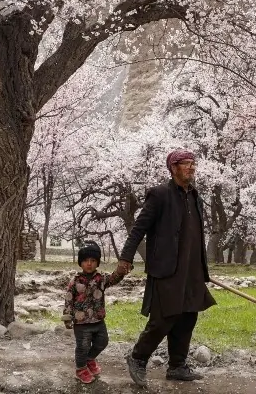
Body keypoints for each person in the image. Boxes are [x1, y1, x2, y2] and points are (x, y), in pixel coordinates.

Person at [117, 148, 216, 387]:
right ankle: (138, 357)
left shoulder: (195, 196)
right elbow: (139, 228)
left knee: (188, 317)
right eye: (186, 164)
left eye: (193, 163)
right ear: (173, 168)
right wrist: (125, 258)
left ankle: (177, 366)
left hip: (192, 269)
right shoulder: (159, 194)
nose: (191, 168)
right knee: (163, 318)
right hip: (167, 269)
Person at [62, 241, 125, 384]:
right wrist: (67, 317)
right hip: (81, 322)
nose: (89, 263)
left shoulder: (101, 279)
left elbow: (114, 278)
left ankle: (90, 359)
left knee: (103, 342)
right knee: (82, 346)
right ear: (80, 263)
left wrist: (121, 270)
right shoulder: (75, 280)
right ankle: (81, 369)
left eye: (93, 260)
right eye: (85, 261)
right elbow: (68, 299)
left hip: (98, 319)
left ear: (97, 263)